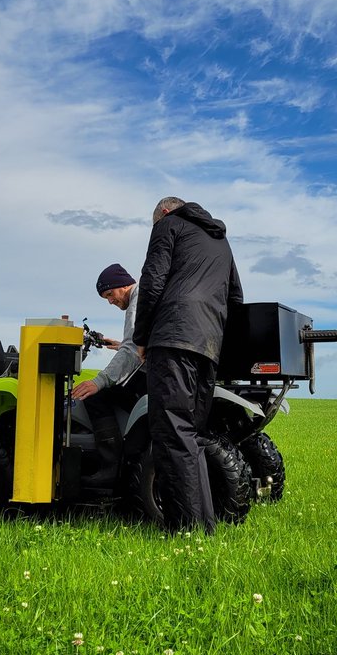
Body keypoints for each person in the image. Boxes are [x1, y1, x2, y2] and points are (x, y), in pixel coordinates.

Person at [133, 197, 243, 533]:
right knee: (191, 436)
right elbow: (235, 298)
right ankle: (203, 529)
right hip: (209, 346)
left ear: (164, 212)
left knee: (170, 434)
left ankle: (183, 530)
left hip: (173, 339)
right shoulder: (220, 241)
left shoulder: (168, 225)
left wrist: (141, 337)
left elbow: (152, 281)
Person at [71, 263, 147, 483]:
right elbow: (138, 341)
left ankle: (110, 468)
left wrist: (99, 381)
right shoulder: (144, 296)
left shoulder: (137, 299)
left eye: (110, 294)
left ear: (123, 285)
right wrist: (121, 344)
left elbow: (133, 349)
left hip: (153, 377)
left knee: (97, 397)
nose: (110, 301)